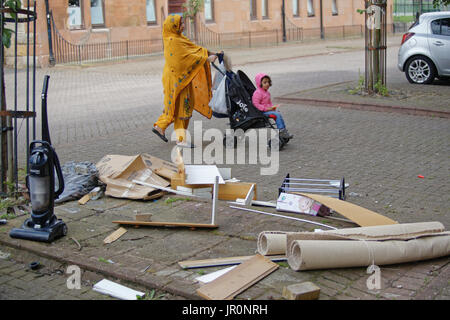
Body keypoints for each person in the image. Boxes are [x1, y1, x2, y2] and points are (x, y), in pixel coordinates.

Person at [152, 14, 219, 148]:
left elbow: (194, 49)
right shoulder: (173, 40)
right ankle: (179, 138)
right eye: (180, 24)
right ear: (173, 26)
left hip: (179, 78)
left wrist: (211, 53)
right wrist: (206, 59)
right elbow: (185, 59)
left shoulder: (178, 38)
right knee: (183, 108)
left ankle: (163, 128)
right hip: (177, 79)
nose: (183, 26)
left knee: (179, 107)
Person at [252, 73, 293, 139]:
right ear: (259, 83)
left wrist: (272, 107)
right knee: (277, 114)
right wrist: (266, 109)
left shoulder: (267, 93)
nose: (267, 84)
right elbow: (256, 104)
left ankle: (283, 130)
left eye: (268, 82)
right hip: (262, 111)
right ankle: (281, 131)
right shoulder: (258, 93)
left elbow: (269, 103)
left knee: (278, 113)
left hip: (268, 110)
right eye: (265, 82)